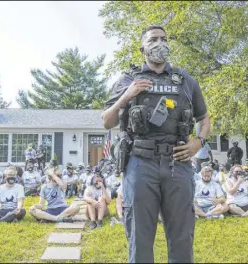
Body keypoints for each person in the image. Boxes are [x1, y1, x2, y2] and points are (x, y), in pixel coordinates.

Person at [102, 25, 211, 263]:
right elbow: (106, 121)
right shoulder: (128, 79)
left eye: (163, 38)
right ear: (142, 48)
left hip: (178, 164)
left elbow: (204, 118)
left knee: (182, 235)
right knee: (139, 236)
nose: (160, 42)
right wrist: (126, 95)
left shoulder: (185, 81)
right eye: (153, 39)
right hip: (140, 164)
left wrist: (198, 142)